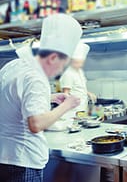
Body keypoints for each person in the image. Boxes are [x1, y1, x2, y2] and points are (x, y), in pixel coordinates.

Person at [0, 13, 82, 182]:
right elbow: (35, 124)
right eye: (61, 64)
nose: (60, 71)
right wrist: (67, 105)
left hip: (4, 157)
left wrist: (50, 97)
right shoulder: (37, 76)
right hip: (23, 161)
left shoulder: (14, 66)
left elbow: (12, 98)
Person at [60, 42, 96, 117]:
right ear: (72, 61)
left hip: (82, 108)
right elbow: (65, 94)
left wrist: (89, 93)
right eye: (77, 62)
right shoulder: (68, 74)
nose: (79, 65)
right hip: (73, 111)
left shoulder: (79, 71)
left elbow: (80, 88)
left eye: (81, 63)